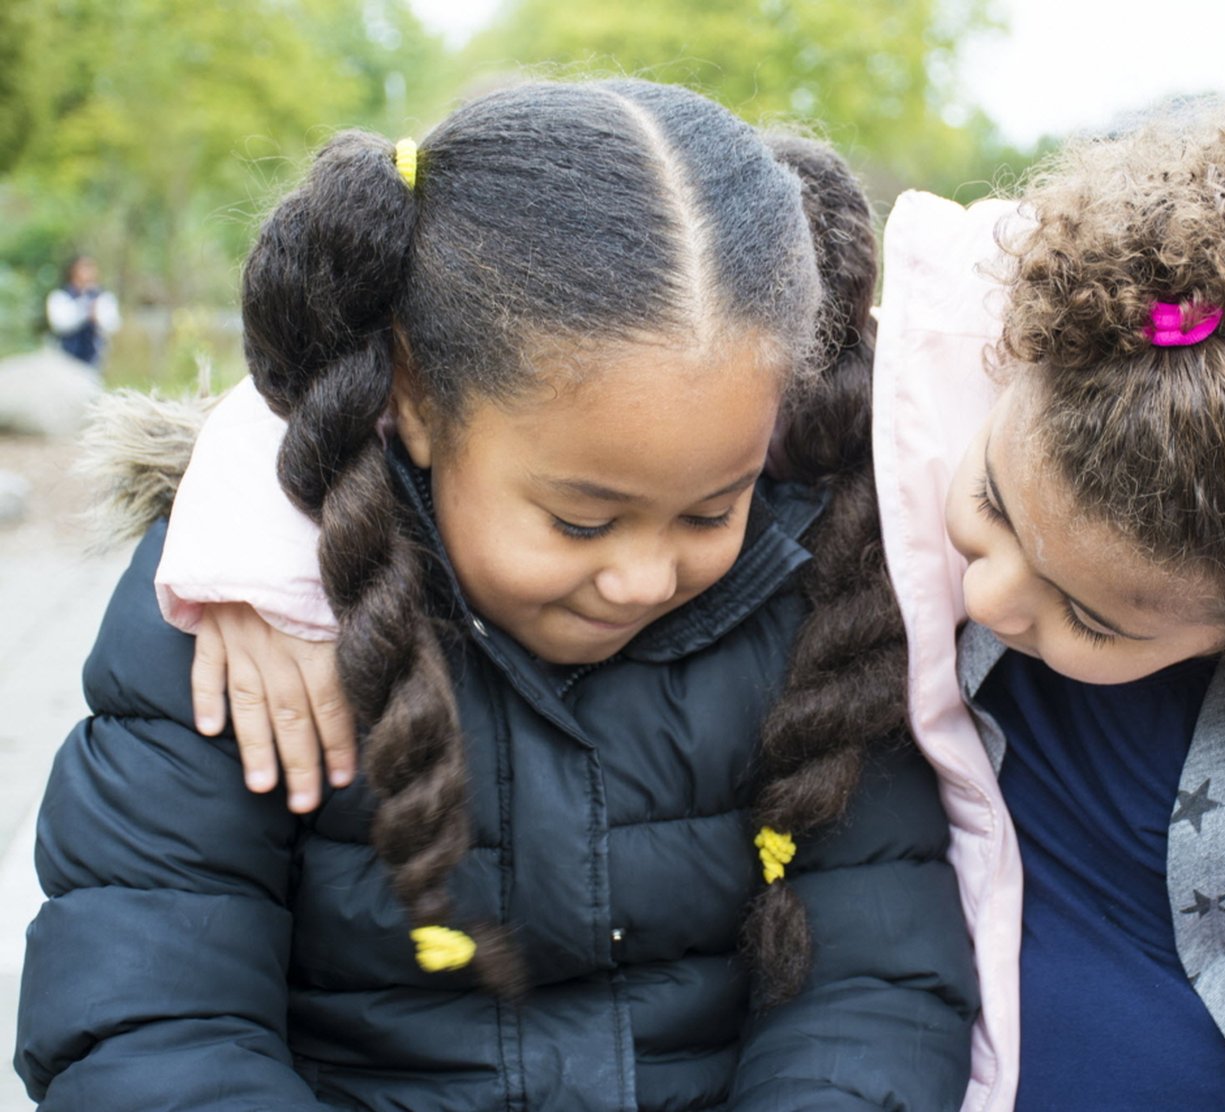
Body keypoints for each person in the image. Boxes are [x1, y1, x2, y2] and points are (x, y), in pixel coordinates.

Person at [129, 101, 1225, 1112]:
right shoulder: (893, 418)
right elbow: (527, 263)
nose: (982, 594)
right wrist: (255, 535)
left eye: (1095, 615)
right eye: (994, 514)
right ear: (991, 383)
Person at [14, 79, 976, 1111]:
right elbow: (146, 1017)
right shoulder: (241, 623)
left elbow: (874, 987)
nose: (643, 576)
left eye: (710, 510)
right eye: (581, 520)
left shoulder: (825, 592)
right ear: (418, 399)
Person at [46, 254, 120, 371]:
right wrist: (85, 310)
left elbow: (113, 325)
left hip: (93, 357)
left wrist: (97, 318)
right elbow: (60, 324)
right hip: (66, 355)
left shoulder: (103, 297)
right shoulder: (61, 296)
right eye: (84, 268)